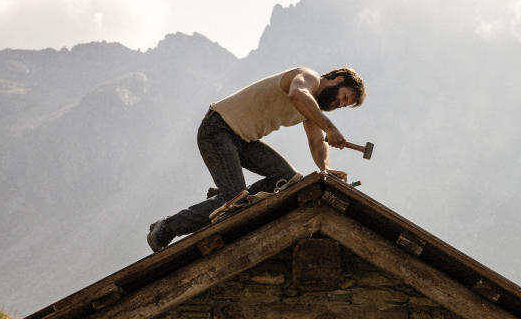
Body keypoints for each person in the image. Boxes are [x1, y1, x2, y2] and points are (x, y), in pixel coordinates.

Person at [146, 67, 366, 251]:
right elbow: (297, 94)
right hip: (218, 128)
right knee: (235, 201)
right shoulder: (308, 77)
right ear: (337, 79)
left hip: (243, 140)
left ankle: (231, 198)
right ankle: (168, 226)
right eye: (343, 97)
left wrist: (325, 169)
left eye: (343, 105)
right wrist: (330, 127)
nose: (339, 104)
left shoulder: (312, 109)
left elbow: (317, 143)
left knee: (288, 180)